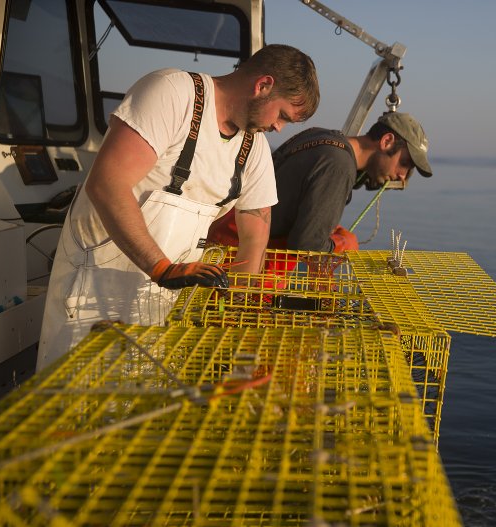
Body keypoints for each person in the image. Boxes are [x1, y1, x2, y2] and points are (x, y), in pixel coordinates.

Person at [37, 44, 320, 370]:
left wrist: (237, 305)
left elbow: (256, 230)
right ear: (263, 85)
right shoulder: (171, 93)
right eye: (283, 115)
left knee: (133, 403)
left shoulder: (251, 146)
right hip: (95, 284)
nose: (279, 128)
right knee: (71, 398)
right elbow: (107, 183)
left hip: (161, 297)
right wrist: (161, 268)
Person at [206, 112, 433, 253]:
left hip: (221, 240)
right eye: (405, 163)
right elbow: (306, 246)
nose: (403, 176)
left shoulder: (322, 139)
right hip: (239, 261)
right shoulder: (338, 166)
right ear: (386, 141)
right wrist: (345, 245)